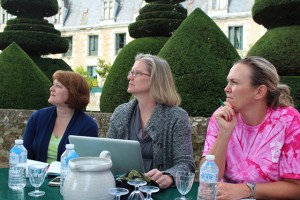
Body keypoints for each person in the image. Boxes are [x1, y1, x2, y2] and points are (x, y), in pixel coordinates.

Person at [202, 56, 300, 199]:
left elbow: (296, 188)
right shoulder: (221, 117)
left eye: (234, 82)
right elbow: (208, 178)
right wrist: (224, 133)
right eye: (228, 82)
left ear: (259, 92)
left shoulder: (288, 120)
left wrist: (247, 190)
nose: (226, 88)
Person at [107, 53, 195, 189]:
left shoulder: (177, 117)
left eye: (137, 73)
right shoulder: (120, 113)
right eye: (131, 72)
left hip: (159, 193)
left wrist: (169, 176)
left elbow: (186, 164)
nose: (129, 77)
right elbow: (107, 153)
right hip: (123, 190)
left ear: (155, 79)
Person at [23, 70, 98, 164]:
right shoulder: (38, 117)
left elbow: (86, 164)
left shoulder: (88, 126)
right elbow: (25, 154)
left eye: (58, 86)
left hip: (69, 178)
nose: (51, 88)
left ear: (73, 93)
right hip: (37, 177)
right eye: (53, 84)